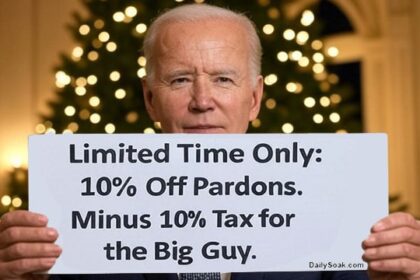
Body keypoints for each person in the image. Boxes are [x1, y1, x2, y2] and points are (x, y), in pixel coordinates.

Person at [1, 3, 419, 280]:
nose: (203, 101)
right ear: (150, 98)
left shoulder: (336, 210)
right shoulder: (72, 217)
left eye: (223, 79)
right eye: (180, 80)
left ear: (254, 98)